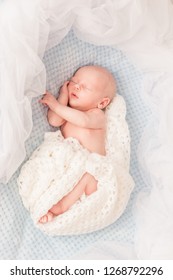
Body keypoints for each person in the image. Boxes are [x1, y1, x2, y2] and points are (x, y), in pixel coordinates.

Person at [39, 65, 116, 223]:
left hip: (93, 171)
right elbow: (54, 120)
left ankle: (60, 207)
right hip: (70, 167)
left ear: (102, 103)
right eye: (74, 81)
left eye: (85, 87)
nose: (77, 86)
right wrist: (63, 95)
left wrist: (55, 105)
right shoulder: (66, 112)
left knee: (89, 174)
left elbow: (82, 120)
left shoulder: (96, 115)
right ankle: (47, 203)